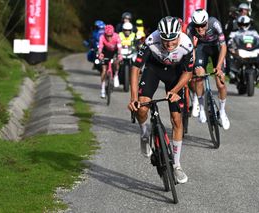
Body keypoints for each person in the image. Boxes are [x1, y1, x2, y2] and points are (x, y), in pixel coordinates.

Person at [128, 16, 194, 184]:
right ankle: (144, 135)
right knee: (142, 109)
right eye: (165, 42)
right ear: (160, 36)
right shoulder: (151, 40)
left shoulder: (186, 45)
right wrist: (134, 98)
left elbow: (188, 73)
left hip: (175, 74)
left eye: (173, 42)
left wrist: (175, 91)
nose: (170, 46)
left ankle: (177, 165)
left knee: (177, 120)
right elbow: (136, 68)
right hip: (154, 69)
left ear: (179, 35)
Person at [186, 9, 230, 130]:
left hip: (216, 47)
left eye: (202, 25)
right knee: (199, 75)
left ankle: (222, 111)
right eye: (197, 26)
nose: (200, 29)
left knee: (220, 83)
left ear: (206, 22)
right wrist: (195, 67)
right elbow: (191, 53)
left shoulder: (214, 24)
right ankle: (201, 106)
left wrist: (218, 67)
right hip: (200, 48)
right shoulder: (190, 29)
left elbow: (223, 46)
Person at [227, 15, 259, 81]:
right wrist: (231, 47)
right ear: (238, 24)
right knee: (231, 58)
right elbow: (229, 41)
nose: (243, 26)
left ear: (248, 24)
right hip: (240, 51)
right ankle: (232, 72)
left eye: (245, 24)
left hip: (252, 51)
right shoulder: (234, 33)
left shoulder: (254, 32)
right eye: (241, 24)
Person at [97, 25, 122, 98]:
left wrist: (120, 54)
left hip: (114, 52)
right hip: (106, 52)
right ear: (105, 34)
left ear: (113, 34)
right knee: (104, 70)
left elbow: (119, 47)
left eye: (110, 35)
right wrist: (100, 54)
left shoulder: (116, 36)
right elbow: (100, 47)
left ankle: (116, 75)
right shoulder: (102, 37)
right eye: (107, 36)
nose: (109, 37)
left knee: (116, 62)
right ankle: (102, 89)